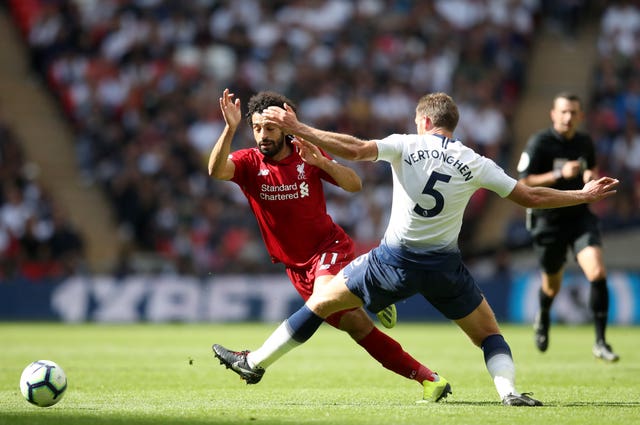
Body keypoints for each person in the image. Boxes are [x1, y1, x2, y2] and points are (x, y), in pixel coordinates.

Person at [212, 92, 619, 406]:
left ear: (423, 121)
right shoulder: (475, 162)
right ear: (452, 125)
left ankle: (255, 363)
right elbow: (529, 197)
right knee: (489, 334)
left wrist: (301, 130)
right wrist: (581, 196)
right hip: (445, 267)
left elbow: (354, 150)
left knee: (320, 304)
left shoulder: (406, 144)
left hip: (391, 261)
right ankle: (509, 392)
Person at [208, 89, 450, 402]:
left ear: (285, 127)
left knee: (322, 300)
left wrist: (324, 163)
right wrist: (229, 129)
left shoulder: (305, 152)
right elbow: (216, 171)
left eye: (269, 128)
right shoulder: (249, 163)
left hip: (328, 248)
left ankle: (254, 362)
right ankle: (430, 379)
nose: (262, 135)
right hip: (296, 267)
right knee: (359, 328)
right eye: (256, 128)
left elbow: (354, 184)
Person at [517, 92, 620, 362]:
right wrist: (558, 175)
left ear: (581, 116)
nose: (568, 117)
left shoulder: (585, 142)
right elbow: (523, 183)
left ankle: (600, 341)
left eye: (573, 112)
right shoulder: (539, 143)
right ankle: (544, 314)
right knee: (551, 285)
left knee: (597, 271)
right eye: (563, 111)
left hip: (579, 218)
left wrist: (591, 177)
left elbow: (592, 171)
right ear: (553, 114)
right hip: (548, 221)